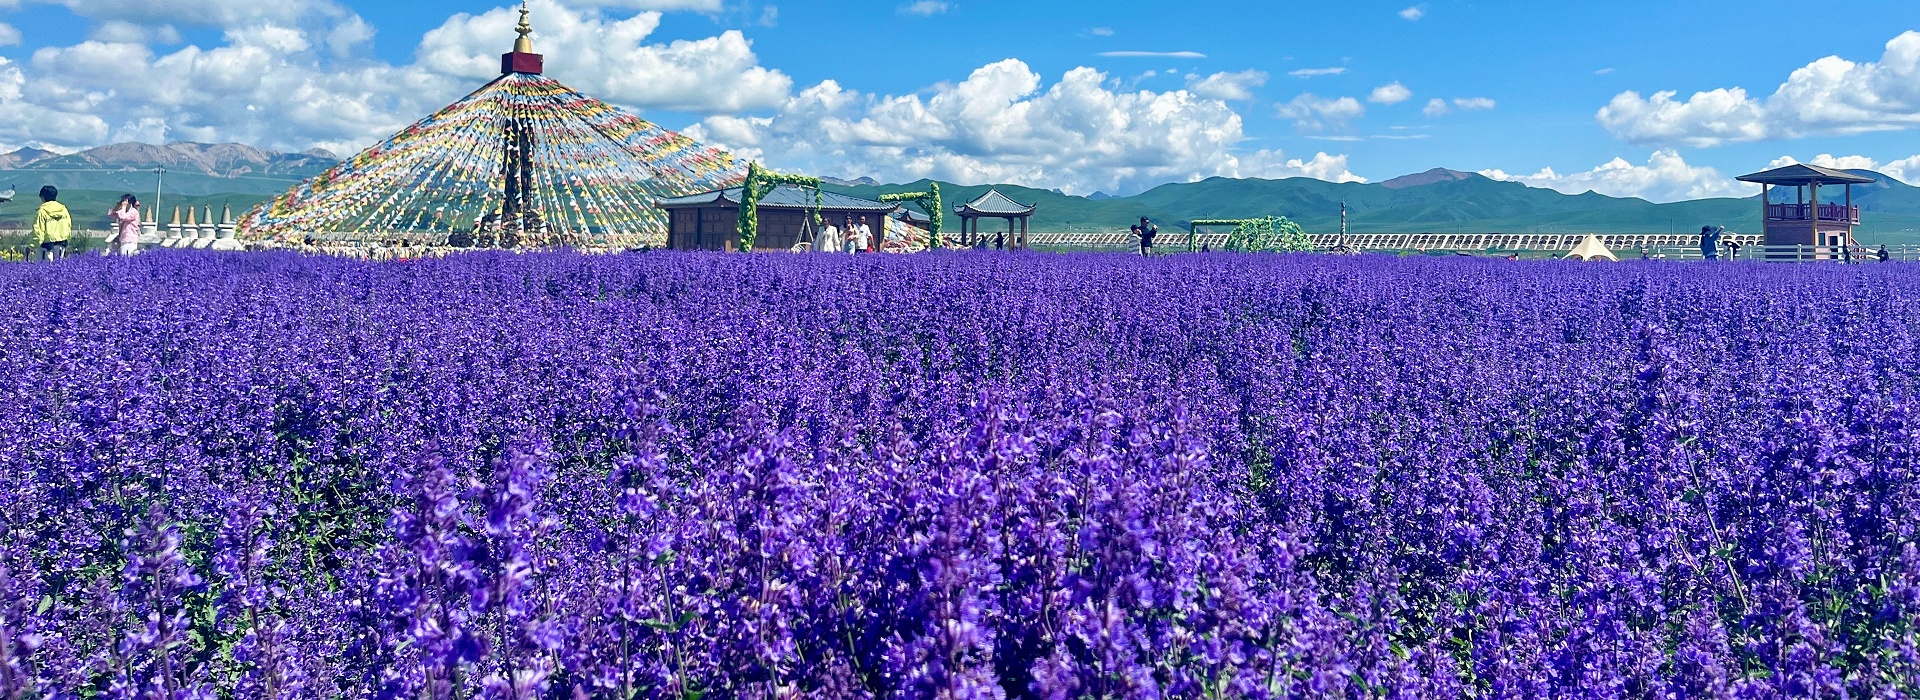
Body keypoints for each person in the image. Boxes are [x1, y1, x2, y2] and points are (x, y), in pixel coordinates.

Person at [32, 186, 71, 261]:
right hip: (61, 244)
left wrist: (32, 245)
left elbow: (38, 231)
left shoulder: (42, 211)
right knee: (58, 268)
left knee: (44, 269)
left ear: (43, 197)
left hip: (46, 246)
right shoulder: (63, 210)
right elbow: (68, 226)